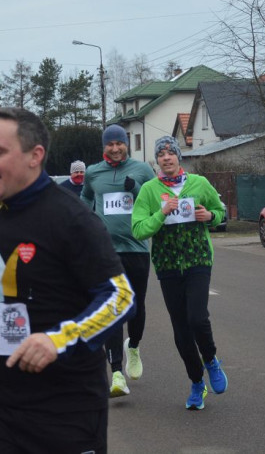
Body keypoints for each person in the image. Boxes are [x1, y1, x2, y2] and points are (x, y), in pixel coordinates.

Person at [0, 107, 134, 454]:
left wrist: (59, 340)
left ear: (35, 156)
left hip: (66, 414)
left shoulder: (72, 218)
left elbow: (120, 298)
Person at [131, 135, 228, 411]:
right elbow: (138, 229)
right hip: (168, 265)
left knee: (197, 317)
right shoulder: (149, 190)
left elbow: (220, 212)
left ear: (178, 156)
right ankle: (197, 383)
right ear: (156, 161)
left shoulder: (200, 183)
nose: (166, 158)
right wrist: (161, 213)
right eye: (160, 155)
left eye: (170, 153)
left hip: (198, 259)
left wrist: (209, 217)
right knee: (181, 331)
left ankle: (211, 360)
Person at [81, 124, 156, 399]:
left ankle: (133, 347)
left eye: (119, 143)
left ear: (127, 145)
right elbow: (86, 198)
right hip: (106, 252)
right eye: (110, 144)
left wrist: (135, 188)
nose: (114, 148)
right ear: (104, 147)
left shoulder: (143, 171)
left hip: (136, 248)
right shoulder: (93, 172)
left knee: (135, 307)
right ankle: (115, 373)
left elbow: (155, 203)